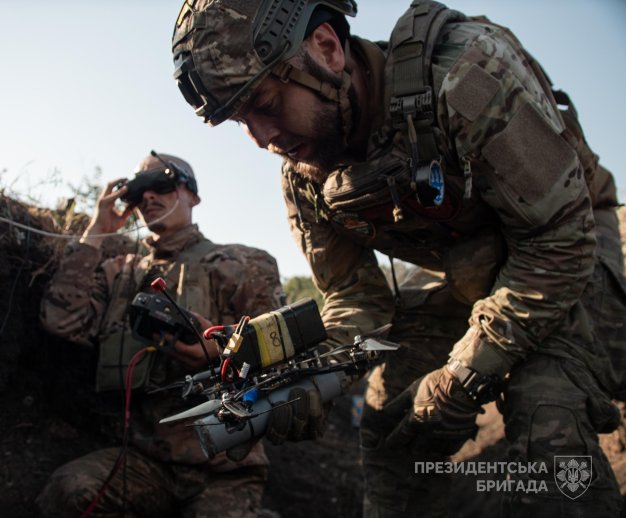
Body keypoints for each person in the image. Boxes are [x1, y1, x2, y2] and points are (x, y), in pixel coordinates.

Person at [171, 0, 626, 516]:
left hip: (567, 242)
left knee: (547, 412)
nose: (261, 138)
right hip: (469, 274)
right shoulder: (304, 175)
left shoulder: (467, 78)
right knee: (391, 426)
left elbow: (560, 238)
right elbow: (355, 298)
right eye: (239, 121)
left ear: (326, 48)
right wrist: (311, 378)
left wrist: (462, 374)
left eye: (266, 104)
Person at [36, 152, 283, 517]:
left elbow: (284, 348)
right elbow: (60, 320)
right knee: (70, 492)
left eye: (162, 184)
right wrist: (97, 231)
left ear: (192, 195)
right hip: (144, 461)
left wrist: (219, 352)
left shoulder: (244, 265)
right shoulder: (118, 272)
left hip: (224, 467)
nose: (148, 197)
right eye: (137, 191)